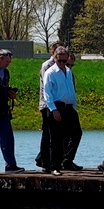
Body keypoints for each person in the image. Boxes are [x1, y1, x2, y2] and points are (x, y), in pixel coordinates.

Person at [41, 47, 81, 175]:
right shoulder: (50, 72)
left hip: (69, 107)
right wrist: (53, 110)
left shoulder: (68, 72)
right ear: (55, 59)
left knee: (77, 133)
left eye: (65, 61)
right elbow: (47, 93)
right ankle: (54, 166)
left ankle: (67, 159)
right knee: (56, 138)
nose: (63, 63)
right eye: (60, 61)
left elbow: (71, 90)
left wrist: (74, 107)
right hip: (56, 106)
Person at [35, 44, 63, 171]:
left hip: (59, 104)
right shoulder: (47, 66)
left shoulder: (64, 66)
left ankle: (53, 160)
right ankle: (44, 162)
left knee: (56, 134)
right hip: (47, 104)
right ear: (53, 52)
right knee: (47, 134)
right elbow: (47, 88)